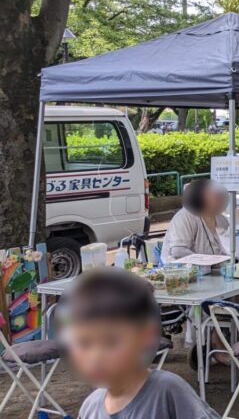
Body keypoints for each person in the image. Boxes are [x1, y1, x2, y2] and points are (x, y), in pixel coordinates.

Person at [69, 269, 218, 419]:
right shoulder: (90, 408)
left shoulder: (167, 391)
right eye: (84, 343)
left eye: (110, 342)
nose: (96, 356)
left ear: (145, 337)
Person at [163, 178, 229, 260]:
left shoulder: (222, 219)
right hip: (182, 269)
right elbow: (178, 251)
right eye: (212, 195)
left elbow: (226, 248)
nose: (220, 198)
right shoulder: (184, 217)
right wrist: (207, 260)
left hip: (215, 269)